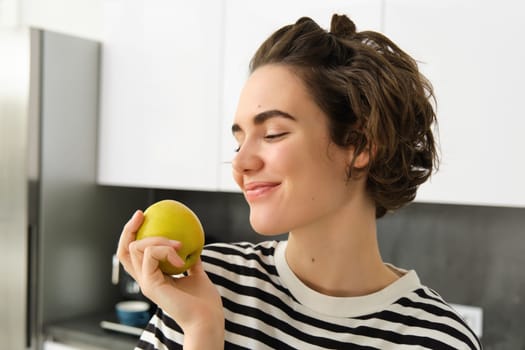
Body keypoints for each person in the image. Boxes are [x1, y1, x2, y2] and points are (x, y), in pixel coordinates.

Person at [117, 14, 482, 349]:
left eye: (273, 133)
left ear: (358, 146)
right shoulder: (206, 285)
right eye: (239, 139)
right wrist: (202, 331)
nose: (240, 162)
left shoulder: (436, 339)